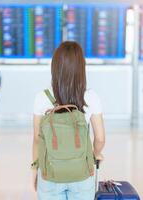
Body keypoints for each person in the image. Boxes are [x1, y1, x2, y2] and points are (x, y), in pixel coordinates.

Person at [32, 41, 106, 200]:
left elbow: (37, 140)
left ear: (55, 68)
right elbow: (100, 138)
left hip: (49, 175)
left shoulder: (41, 97)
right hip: (81, 175)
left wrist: (35, 170)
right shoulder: (91, 97)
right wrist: (96, 154)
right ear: (81, 69)